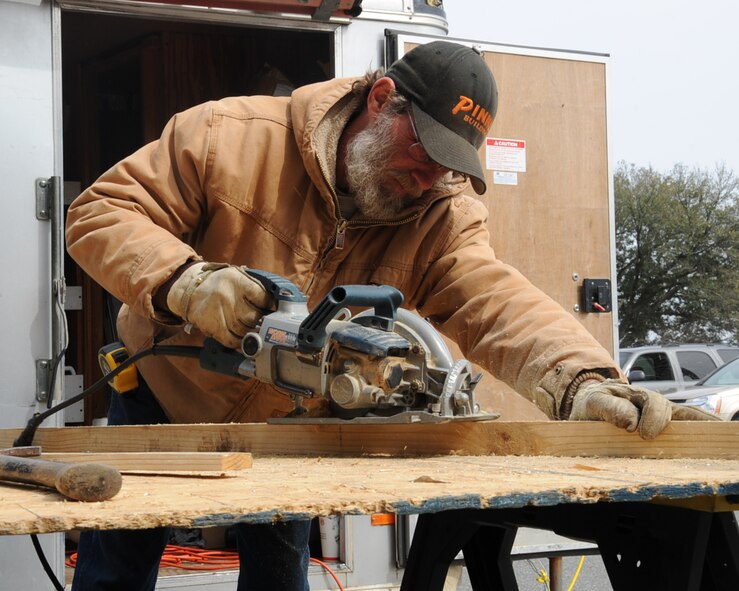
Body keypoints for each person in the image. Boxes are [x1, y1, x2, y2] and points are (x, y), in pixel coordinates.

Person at [65, 40, 716, 591]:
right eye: (424, 147)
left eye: (448, 163)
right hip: (164, 403)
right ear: (380, 99)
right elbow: (100, 214)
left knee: (278, 577)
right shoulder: (227, 136)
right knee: (112, 574)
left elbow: (493, 301)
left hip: (290, 429)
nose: (430, 173)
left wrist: (581, 379)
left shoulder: (439, 211)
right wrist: (186, 282)